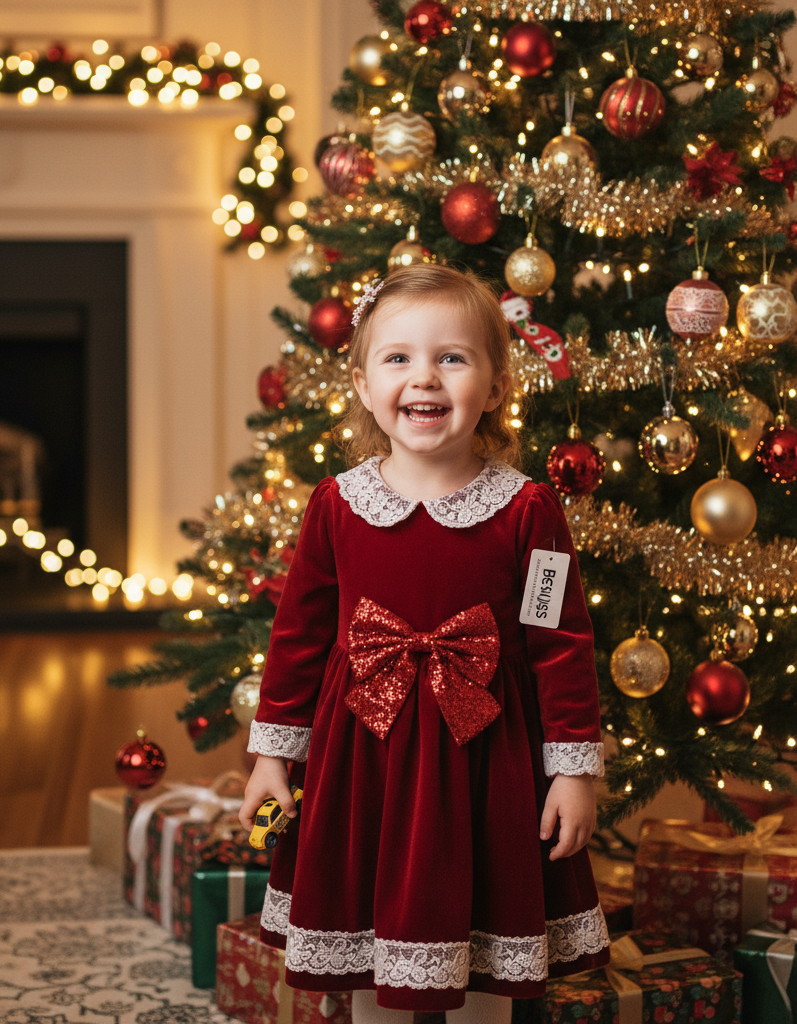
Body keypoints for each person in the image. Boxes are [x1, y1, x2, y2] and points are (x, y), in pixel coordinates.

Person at [239, 264, 610, 1024]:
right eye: (399, 357)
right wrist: (272, 758)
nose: (425, 378)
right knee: (374, 950)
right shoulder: (337, 505)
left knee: (479, 943)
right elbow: (299, 637)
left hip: (487, 758)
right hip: (362, 756)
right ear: (363, 383)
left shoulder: (528, 510)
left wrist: (574, 772)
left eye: (453, 357)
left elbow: (560, 638)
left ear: (497, 387)